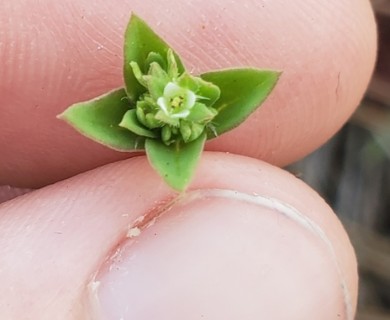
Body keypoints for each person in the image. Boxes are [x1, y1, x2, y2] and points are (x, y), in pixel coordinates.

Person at [0, 0, 377, 319]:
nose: (176, 101)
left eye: (179, 100)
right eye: (175, 100)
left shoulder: (191, 120)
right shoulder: (150, 115)